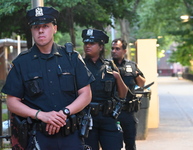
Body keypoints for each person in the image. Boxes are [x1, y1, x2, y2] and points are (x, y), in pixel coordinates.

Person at [1, 6, 95, 150]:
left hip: (71, 135)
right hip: (38, 137)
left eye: (45, 26)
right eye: (36, 27)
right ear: (31, 30)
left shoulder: (72, 58)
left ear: (54, 28)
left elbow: (86, 94)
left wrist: (64, 113)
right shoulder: (21, 63)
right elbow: (12, 102)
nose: (40, 31)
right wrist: (41, 115)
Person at [82, 29, 128, 150]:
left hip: (107, 117)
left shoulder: (110, 66)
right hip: (86, 118)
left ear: (101, 47)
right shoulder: (79, 65)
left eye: (92, 44)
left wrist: (117, 77)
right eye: (86, 43)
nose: (88, 46)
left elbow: (123, 94)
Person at [111, 38, 146, 150]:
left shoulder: (132, 65)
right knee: (114, 144)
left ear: (124, 51)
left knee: (130, 143)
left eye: (117, 49)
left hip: (128, 111)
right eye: (112, 48)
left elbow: (142, 83)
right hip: (112, 111)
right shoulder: (107, 65)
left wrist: (135, 74)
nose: (114, 51)